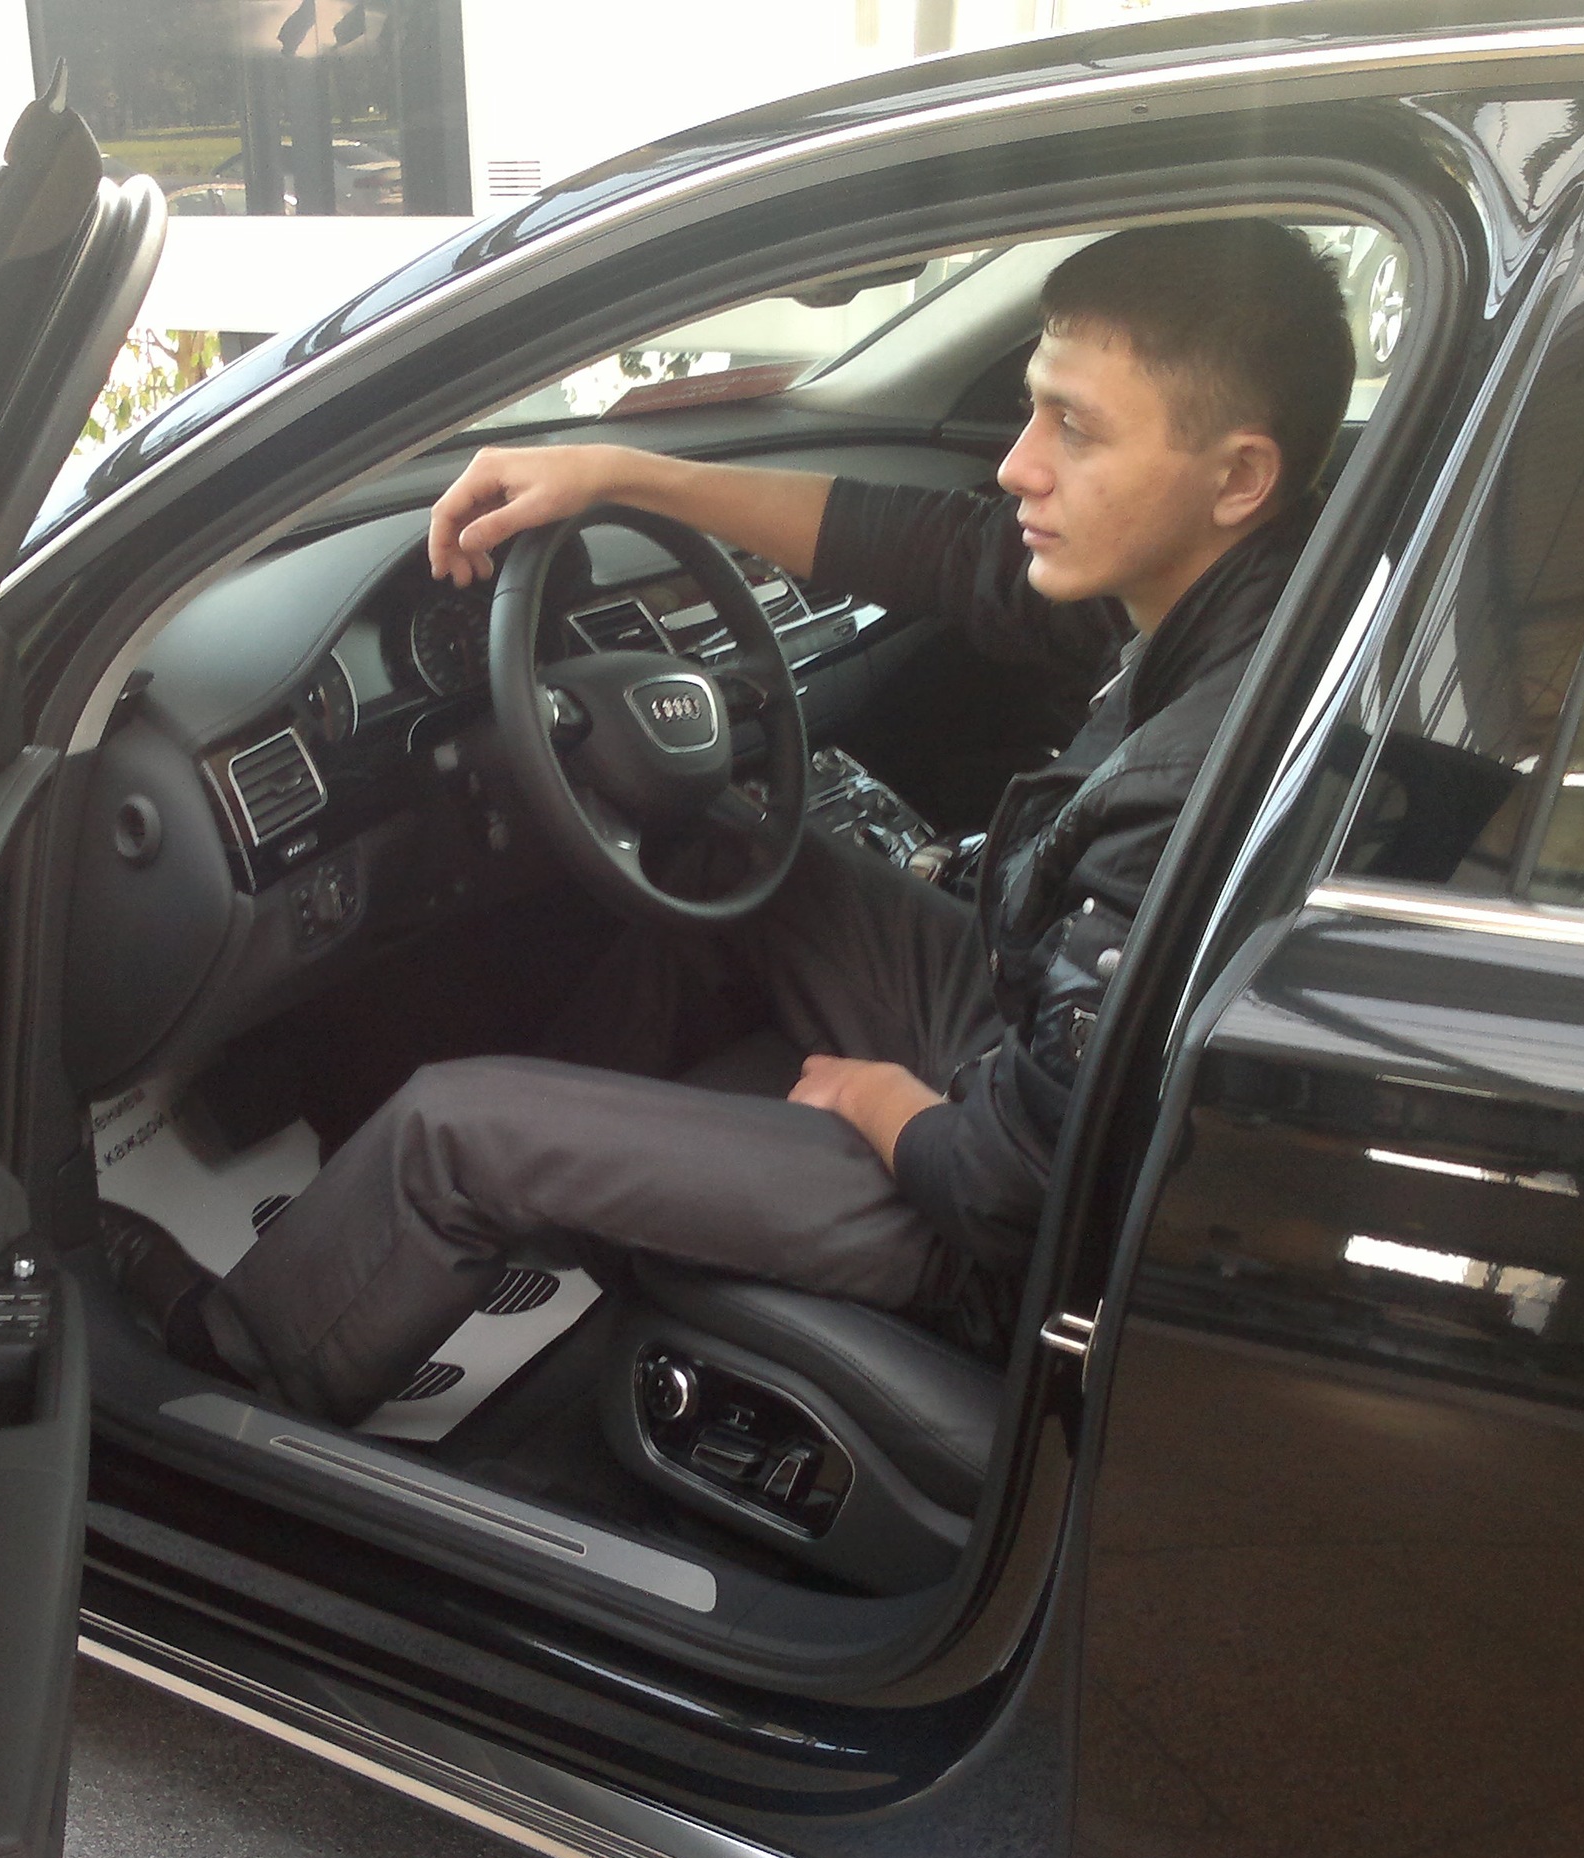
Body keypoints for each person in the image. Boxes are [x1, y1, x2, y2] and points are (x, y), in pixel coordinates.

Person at [189, 219, 1356, 1424]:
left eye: (1076, 427)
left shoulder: (1191, 767)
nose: (1018, 465)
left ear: (1238, 477)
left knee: (452, 1125)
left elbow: (1006, 1187)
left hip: (1012, 1228)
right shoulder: (1255, 589)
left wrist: (875, 1100)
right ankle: (515, 1206)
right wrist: (617, 474)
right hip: (1037, 1056)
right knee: (725, 852)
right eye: (1029, 410)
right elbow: (942, 553)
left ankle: (231, 1370)